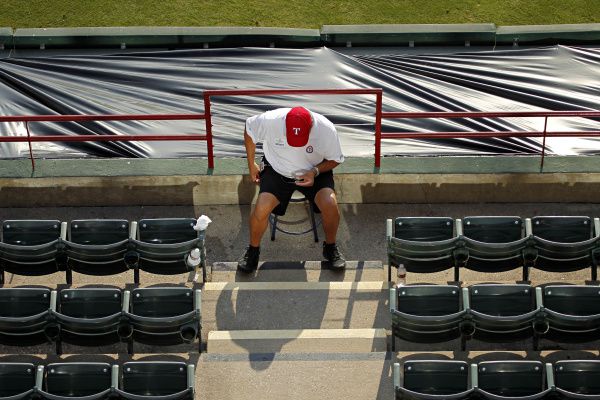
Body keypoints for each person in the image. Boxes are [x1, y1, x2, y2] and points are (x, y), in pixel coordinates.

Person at [238, 106, 346, 272]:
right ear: (285, 124)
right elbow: (249, 129)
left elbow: (336, 159)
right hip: (277, 170)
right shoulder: (271, 120)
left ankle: (330, 247)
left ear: (311, 126)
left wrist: (315, 171)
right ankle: (253, 250)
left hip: (313, 170)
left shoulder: (326, 129)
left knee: (330, 204)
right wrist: (251, 164)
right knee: (261, 207)